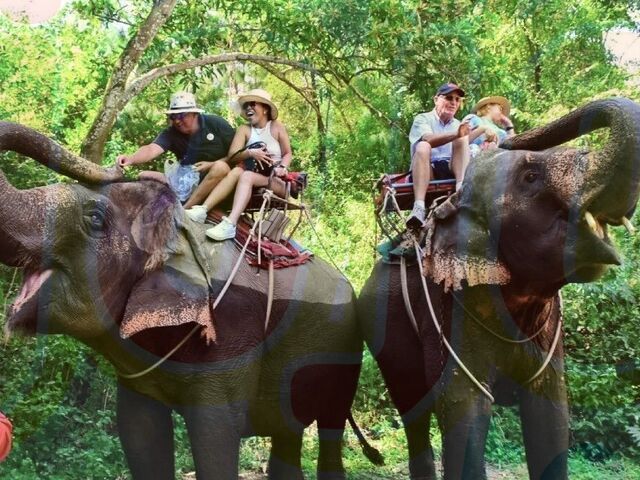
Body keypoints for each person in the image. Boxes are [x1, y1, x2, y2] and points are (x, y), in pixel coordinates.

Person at [116, 91, 235, 205]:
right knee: (144, 175)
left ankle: (187, 209)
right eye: (173, 116)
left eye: (181, 115)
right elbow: (151, 149)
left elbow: (237, 155)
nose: (177, 121)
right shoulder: (171, 133)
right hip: (186, 180)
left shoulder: (216, 124)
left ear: (194, 114)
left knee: (220, 167)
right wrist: (131, 159)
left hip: (220, 180)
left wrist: (211, 165)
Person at [204, 89, 292, 241]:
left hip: (275, 179)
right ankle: (209, 210)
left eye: (253, 104)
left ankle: (230, 223)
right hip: (254, 174)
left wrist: (282, 167)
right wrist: (250, 153)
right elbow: (232, 156)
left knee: (246, 176)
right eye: (246, 106)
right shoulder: (244, 129)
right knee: (242, 173)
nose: (248, 108)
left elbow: (288, 153)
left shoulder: (276, 126)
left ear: (265, 108)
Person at [406, 82, 484, 229]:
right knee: (423, 146)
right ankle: (419, 207)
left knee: (463, 139)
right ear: (436, 100)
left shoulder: (458, 124)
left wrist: (484, 129)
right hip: (427, 170)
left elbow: (465, 142)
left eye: (457, 99)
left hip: (450, 169)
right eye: (449, 98)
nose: (453, 103)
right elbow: (428, 139)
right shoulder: (422, 118)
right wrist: (457, 134)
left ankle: (461, 191)